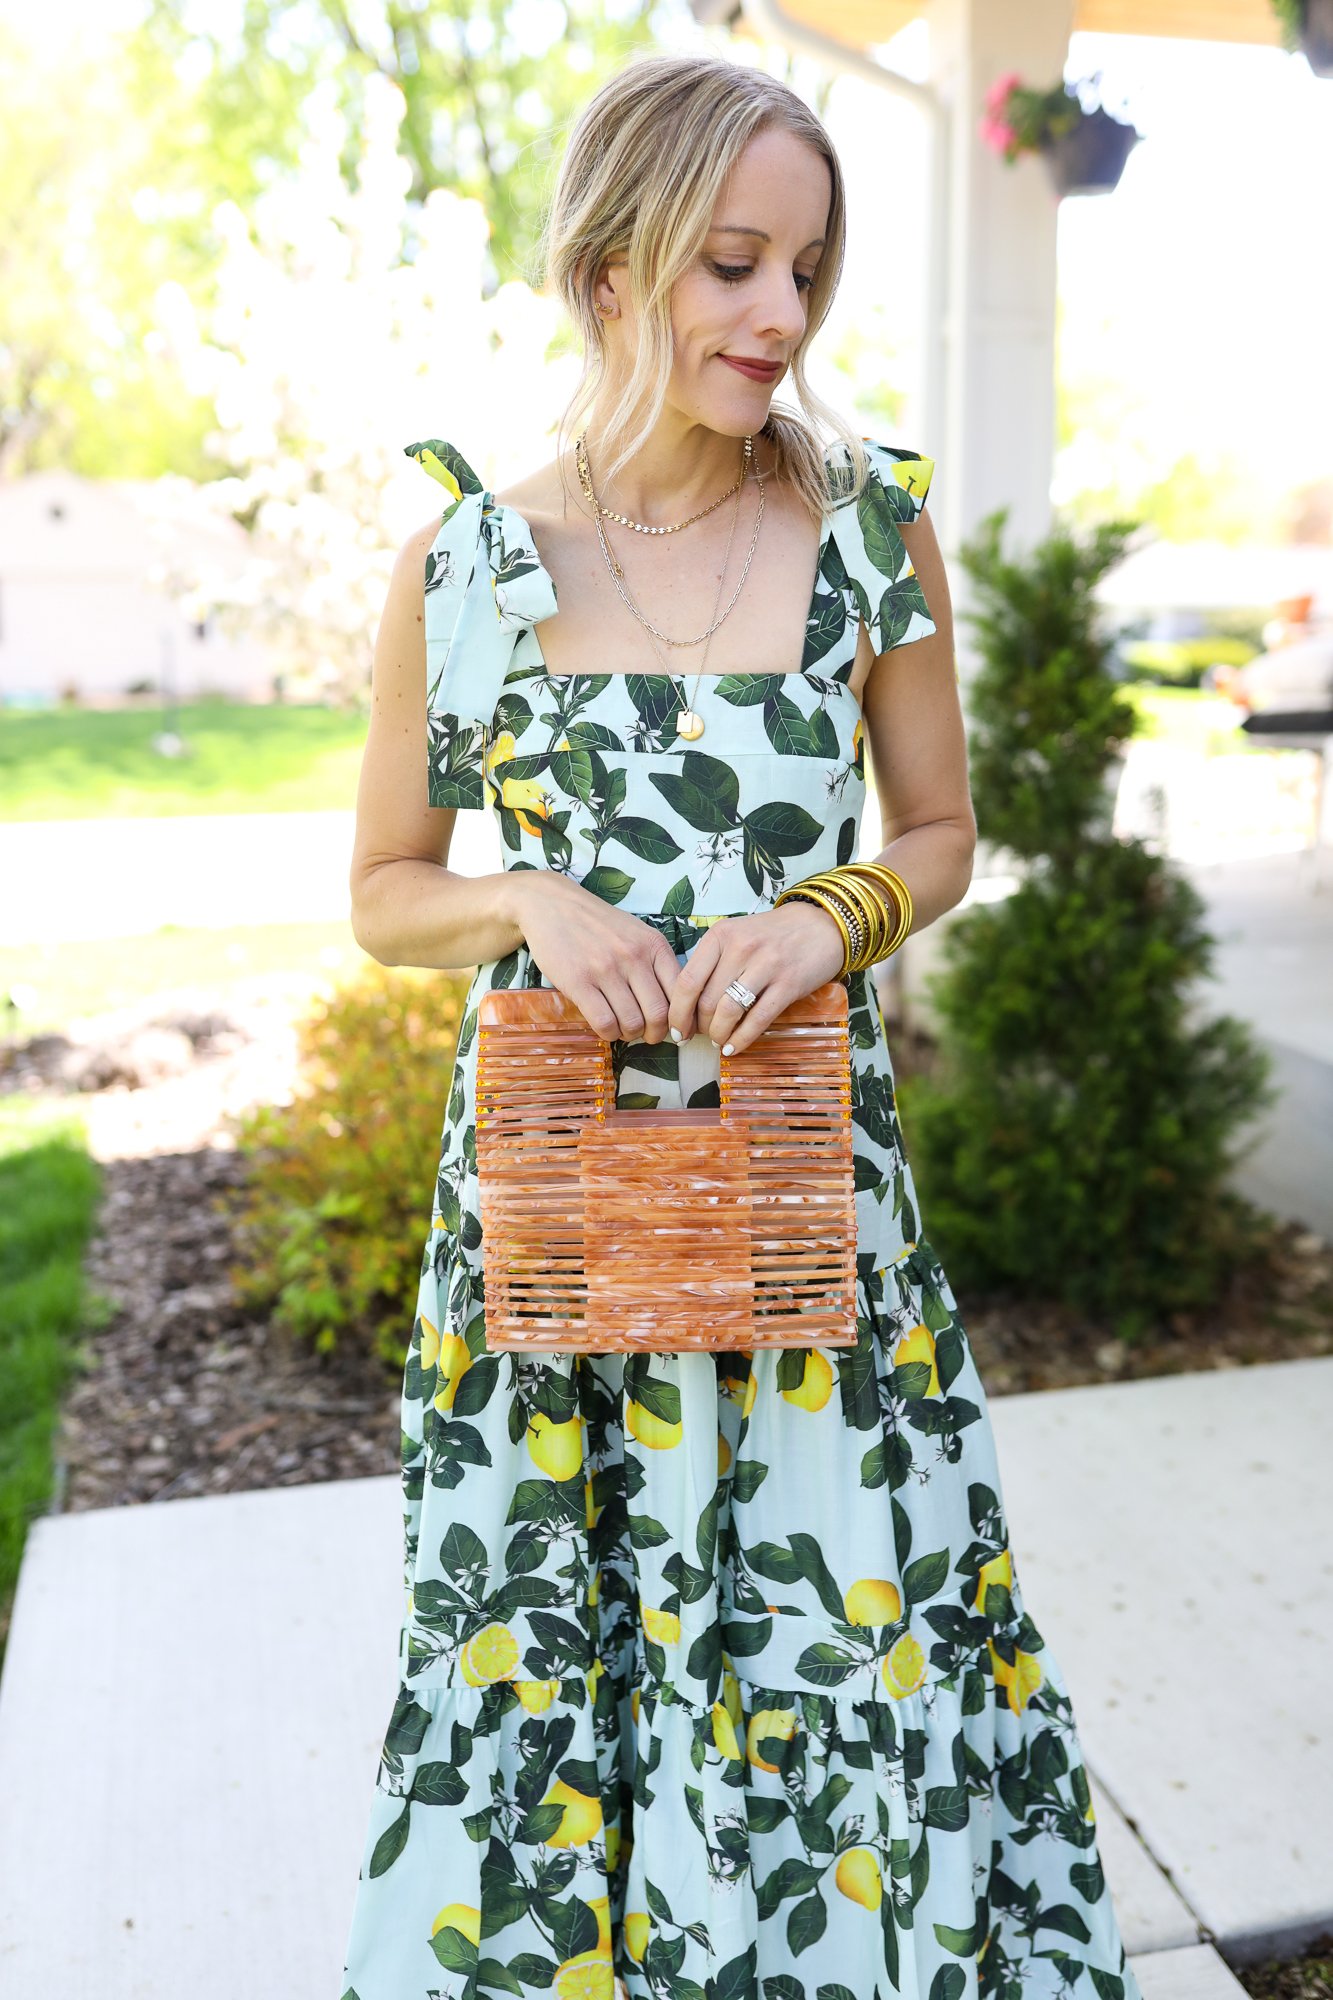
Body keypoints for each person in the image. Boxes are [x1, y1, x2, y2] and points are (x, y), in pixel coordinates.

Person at [337, 48, 1142, 2000]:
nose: (780, 316)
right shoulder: (469, 563)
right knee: (565, 1640)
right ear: (612, 269)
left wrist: (827, 910)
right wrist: (526, 894)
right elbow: (381, 891)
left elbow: (941, 834)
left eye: (805, 269)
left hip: (804, 1201)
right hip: (557, 1210)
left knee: (837, 1634)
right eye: (731, 266)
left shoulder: (873, 533)